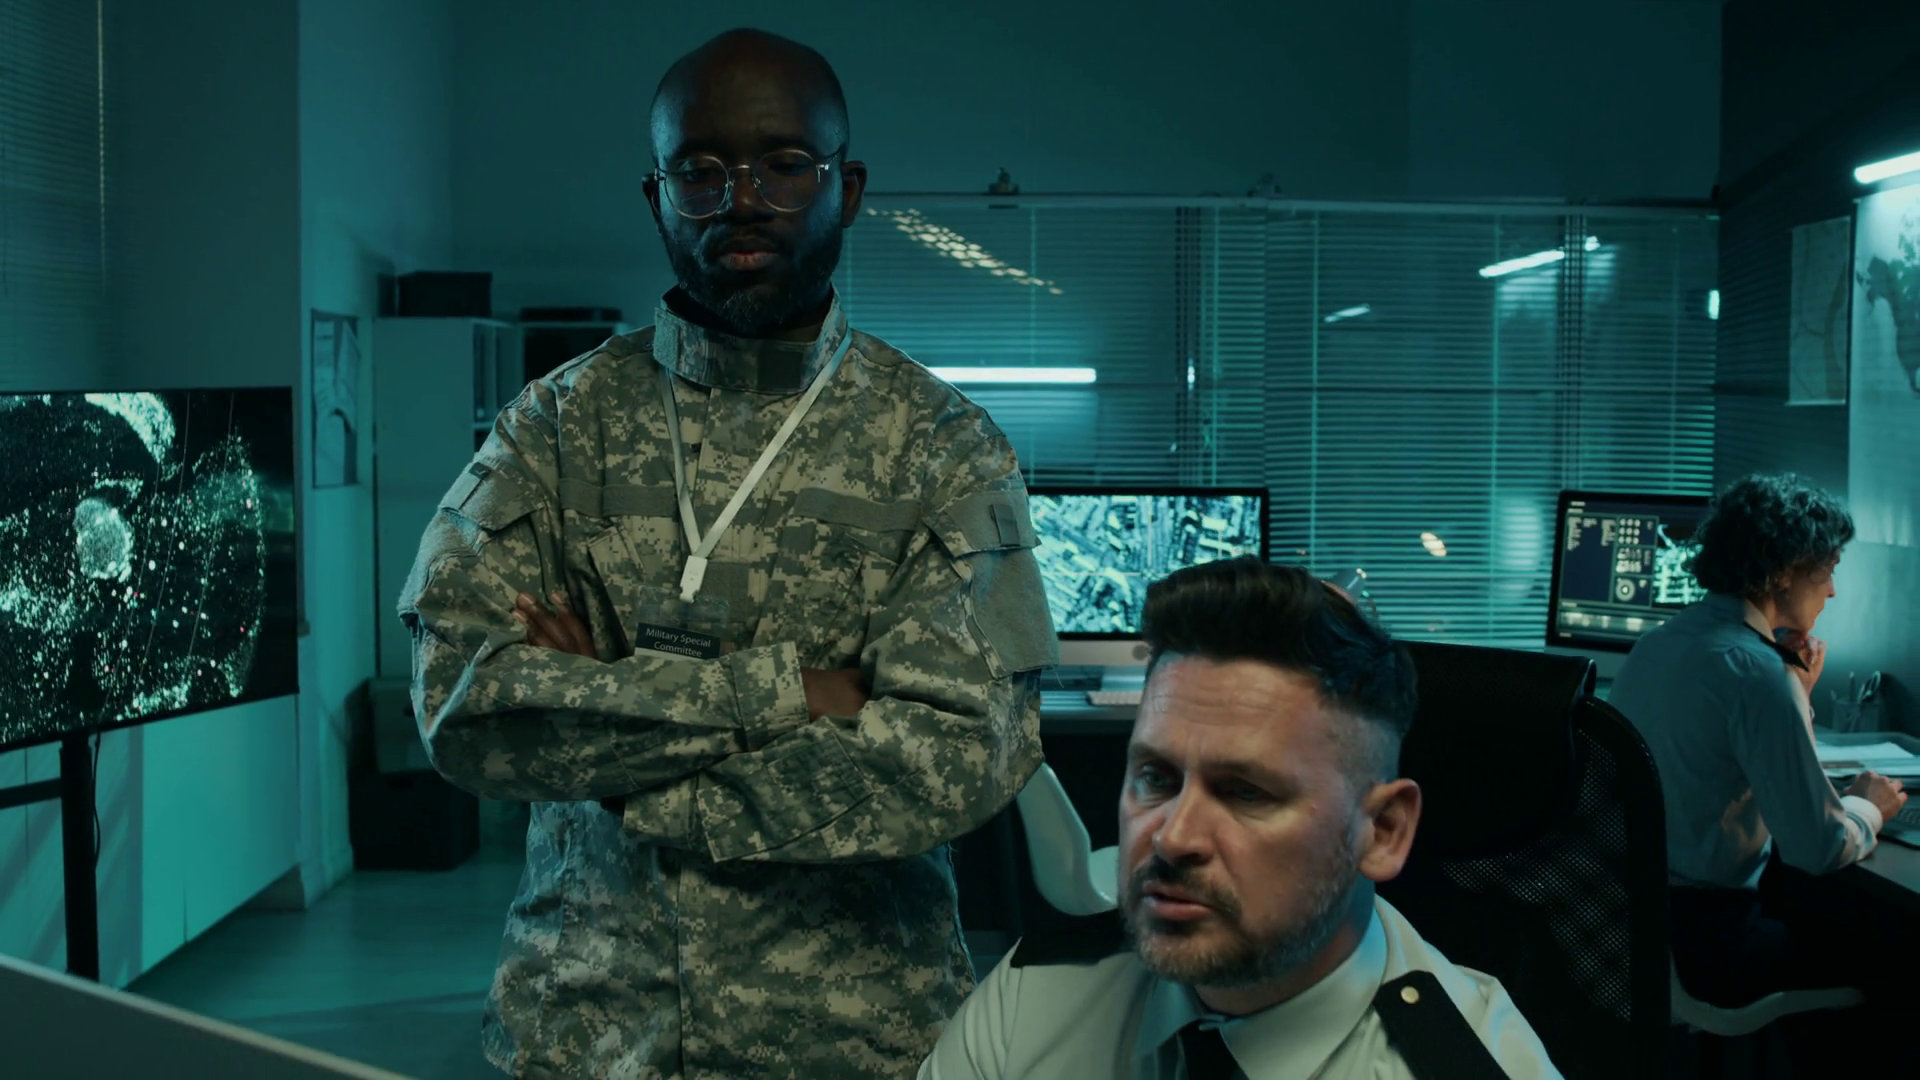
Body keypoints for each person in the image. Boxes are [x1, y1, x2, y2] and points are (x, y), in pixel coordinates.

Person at [396, 27, 1057, 1079]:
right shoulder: (554, 429)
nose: (742, 200)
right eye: (699, 171)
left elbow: (958, 755)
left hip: (854, 1044)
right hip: (588, 1033)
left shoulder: (941, 446)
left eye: (785, 166)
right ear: (656, 198)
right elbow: (465, 711)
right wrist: (798, 693)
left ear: (847, 188)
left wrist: (614, 738)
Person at [919, 558, 1563, 1079]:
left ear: (1382, 831)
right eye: (1156, 779)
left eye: (1246, 793)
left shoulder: (1466, 1065)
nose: (1173, 837)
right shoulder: (1041, 992)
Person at [1607, 472, 1911, 1071]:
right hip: (1712, 943)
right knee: (1897, 956)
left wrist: (1795, 694)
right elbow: (1818, 848)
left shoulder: (1662, 643)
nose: (1833, 592)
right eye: (1827, 571)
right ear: (1785, 571)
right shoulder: (1757, 673)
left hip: (1640, 927)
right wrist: (1869, 806)